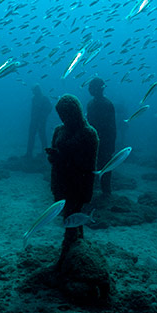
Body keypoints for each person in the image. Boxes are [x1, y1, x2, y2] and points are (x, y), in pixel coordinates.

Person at [46, 95, 98, 266]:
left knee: (71, 221)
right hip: (60, 183)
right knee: (72, 221)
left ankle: (67, 258)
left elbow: (88, 165)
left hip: (77, 184)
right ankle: (78, 254)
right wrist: (54, 157)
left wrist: (62, 158)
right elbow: (56, 157)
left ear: (75, 112)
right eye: (60, 114)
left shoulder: (88, 134)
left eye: (66, 114)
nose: (63, 118)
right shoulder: (59, 130)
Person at [86, 78, 116, 196]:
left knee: (105, 167)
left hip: (103, 142)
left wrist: (111, 145)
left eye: (91, 88)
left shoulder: (106, 104)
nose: (89, 90)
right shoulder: (92, 104)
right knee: (95, 167)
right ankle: (101, 191)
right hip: (94, 142)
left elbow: (112, 127)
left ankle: (106, 192)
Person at [25, 85, 52, 158]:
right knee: (31, 136)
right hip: (34, 120)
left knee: (42, 136)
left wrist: (43, 117)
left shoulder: (44, 99)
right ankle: (29, 153)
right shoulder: (34, 99)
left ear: (37, 90)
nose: (33, 92)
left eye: (34, 90)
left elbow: (49, 108)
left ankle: (44, 153)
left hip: (40, 121)